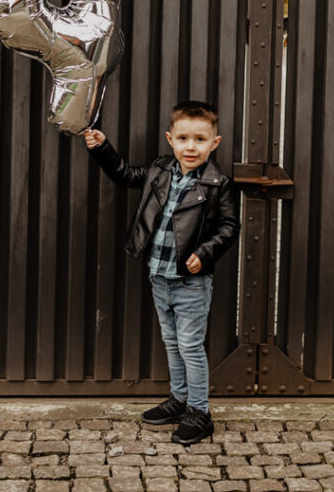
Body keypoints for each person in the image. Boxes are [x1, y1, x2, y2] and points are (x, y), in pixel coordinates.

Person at [83, 99, 240, 445]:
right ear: (170, 139)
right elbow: (124, 174)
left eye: (200, 139)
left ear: (215, 143)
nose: (191, 146)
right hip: (159, 276)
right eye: (183, 138)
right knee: (172, 342)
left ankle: (200, 413)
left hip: (191, 282)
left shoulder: (218, 184)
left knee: (189, 345)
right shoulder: (159, 171)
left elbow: (230, 226)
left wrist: (205, 251)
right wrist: (102, 148)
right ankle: (179, 399)